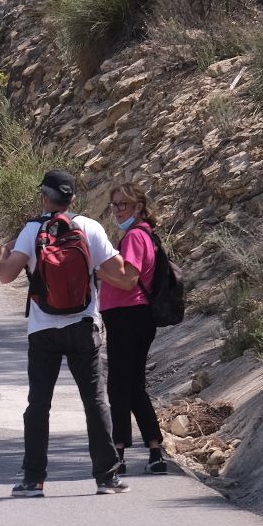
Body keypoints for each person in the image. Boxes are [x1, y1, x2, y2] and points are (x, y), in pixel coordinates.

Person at [0, 169, 139, 497]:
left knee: (38, 405)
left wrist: (4, 253)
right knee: (95, 401)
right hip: (83, 326)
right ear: (73, 198)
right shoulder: (89, 227)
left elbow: (6, 276)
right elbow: (121, 275)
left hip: (43, 330)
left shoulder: (32, 230)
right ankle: (106, 478)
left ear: (44, 196)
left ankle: (33, 479)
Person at [102, 183, 170, 476]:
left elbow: (129, 281)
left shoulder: (133, 238)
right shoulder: (148, 236)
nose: (118, 210)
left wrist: (97, 270)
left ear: (139, 208)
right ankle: (155, 450)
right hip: (139, 317)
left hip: (127, 315)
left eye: (123, 205)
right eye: (115, 205)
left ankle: (117, 452)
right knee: (134, 386)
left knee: (118, 386)